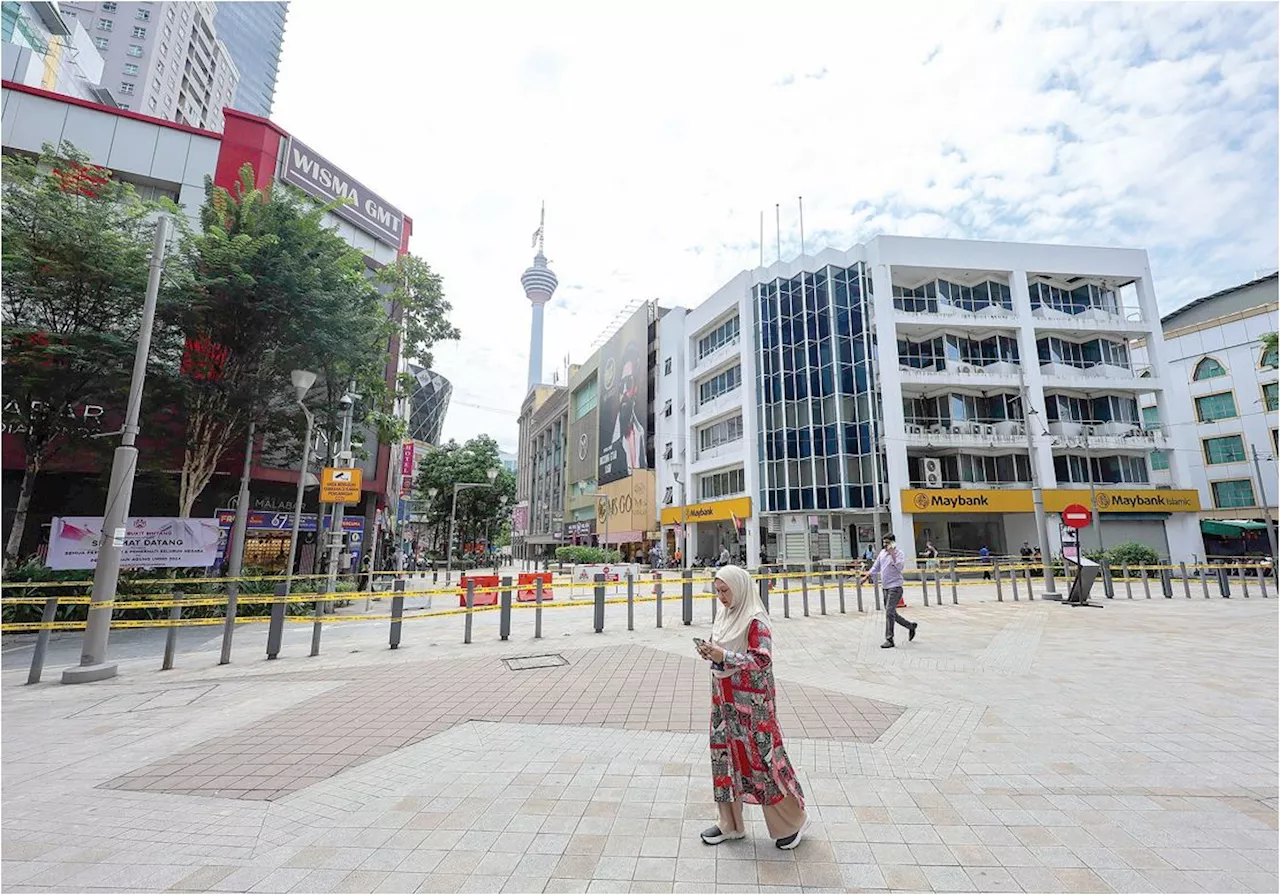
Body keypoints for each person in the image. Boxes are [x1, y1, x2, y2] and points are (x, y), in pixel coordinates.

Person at [695, 565, 808, 850]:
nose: (720, 597)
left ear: (740, 588)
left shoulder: (755, 619)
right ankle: (729, 824)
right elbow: (725, 653)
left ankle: (791, 823)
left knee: (763, 758)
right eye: (717, 591)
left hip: (753, 705)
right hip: (724, 700)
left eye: (725, 591)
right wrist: (712, 652)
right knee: (725, 757)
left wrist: (726, 655)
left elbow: (762, 660)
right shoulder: (725, 613)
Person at [863, 533, 917, 649]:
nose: (885, 545)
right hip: (885, 587)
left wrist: (893, 555)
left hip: (896, 587)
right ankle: (910, 626)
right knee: (892, 613)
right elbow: (876, 567)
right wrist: (866, 576)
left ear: (893, 543)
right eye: (884, 543)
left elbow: (900, 567)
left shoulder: (899, 554)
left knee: (889, 613)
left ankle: (889, 639)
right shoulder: (882, 553)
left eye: (888, 543)